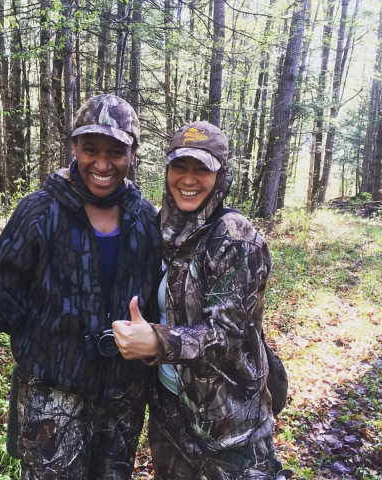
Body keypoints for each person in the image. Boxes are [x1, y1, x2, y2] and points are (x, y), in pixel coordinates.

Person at [0, 94, 161, 480]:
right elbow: (6, 305)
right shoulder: (38, 211)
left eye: (116, 151)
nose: (102, 163)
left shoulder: (147, 219)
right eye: (91, 149)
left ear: (132, 153)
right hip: (51, 393)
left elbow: (161, 304)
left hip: (123, 396)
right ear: (74, 148)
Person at [112, 121, 290, 479]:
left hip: (230, 426)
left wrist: (158, 342)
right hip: (170, 416)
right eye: (180, 167)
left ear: (220, 175)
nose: (188, 179)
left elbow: (227, 334)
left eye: (202, 169)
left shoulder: (235, 237)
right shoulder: (159, 229)